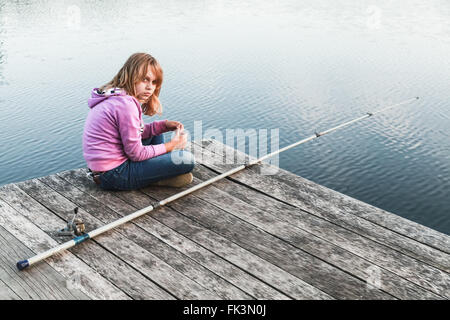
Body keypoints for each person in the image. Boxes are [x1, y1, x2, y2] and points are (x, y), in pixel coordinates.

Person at [82, 52, 195, 191]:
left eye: (154, 82)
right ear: (130, 76)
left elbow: (134, 132)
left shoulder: (116, 96)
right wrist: (171, 145)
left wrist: (163, 125)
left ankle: (155, 172)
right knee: (187, 159)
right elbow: (136, 154)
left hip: (105, 171)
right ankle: (155, 177)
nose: (150, 87)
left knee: (155, 132)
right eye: (144, 80)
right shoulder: (126, 105)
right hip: (114, 175)